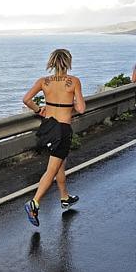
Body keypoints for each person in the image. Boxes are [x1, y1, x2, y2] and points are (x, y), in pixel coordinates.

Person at [22, 49, 86, 227]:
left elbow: (26, 99)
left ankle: (65, 197)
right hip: (63, 130)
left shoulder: (44, 81)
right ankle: (34, 203)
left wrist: (38, 110)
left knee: (59, 164)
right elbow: (81, 109)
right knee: (52, 169)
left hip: (48, 127)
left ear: (52, 62)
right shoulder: (73, 82)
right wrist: (70, 103)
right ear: (68, 62)